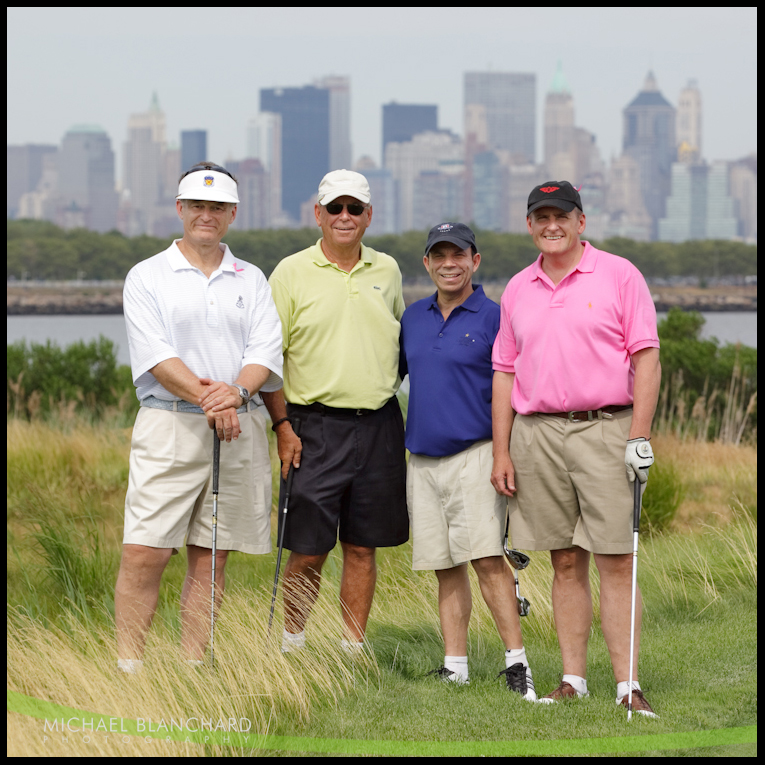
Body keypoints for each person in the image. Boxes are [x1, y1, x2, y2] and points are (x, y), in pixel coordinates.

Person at [491, 181, 661, 716]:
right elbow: (504, 371)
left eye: (560, 216)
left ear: (580, 222)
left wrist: (639, 435)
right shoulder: (519, 287)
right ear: (529, 225)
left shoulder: (619, 274)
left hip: (605, 429)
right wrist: (502, 450)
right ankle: (573, 680)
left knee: (615, 560)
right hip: (537, 435)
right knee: (564, 560)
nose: (551, 226)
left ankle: (627, 686)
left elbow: (647, 358)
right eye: (540, 217)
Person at [115, 162, 283, 672]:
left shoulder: (251, 278)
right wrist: (216, 400)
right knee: (145, 552)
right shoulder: (146, 276)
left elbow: (265, 352)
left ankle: (193, 671)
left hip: (238, 426)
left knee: (211, 557)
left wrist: (234, 394)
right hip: (170, 424)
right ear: (179, 210)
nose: (205, 215)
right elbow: (156, 357)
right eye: (196, 206)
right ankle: (129, 670)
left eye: (217, 208)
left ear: (232, 214)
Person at [262, 169, 408, 654]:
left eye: (354, 208)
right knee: (307, 549)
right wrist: (282, 426)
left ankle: (352, 651)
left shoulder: (387, 270)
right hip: (312, 427)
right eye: (335, 208)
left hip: (380, 423)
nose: (344, 217)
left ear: (369, 215)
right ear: (318, 214)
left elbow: (398, 341)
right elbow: (267, 360)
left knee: (363, 546)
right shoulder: (289, 272)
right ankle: (293, 644)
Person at [399, 222, 537, 699]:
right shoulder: (413, 317)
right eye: (439, 255)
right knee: (444, 565)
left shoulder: (494, 317)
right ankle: (455, 666)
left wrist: (506, 454)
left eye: (458, 254)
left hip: (477, 455)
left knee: (486, 560)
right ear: (427, 263)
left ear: (475, 261)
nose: (448, 263)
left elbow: (517, 388)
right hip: (423, 460)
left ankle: (518, 666)